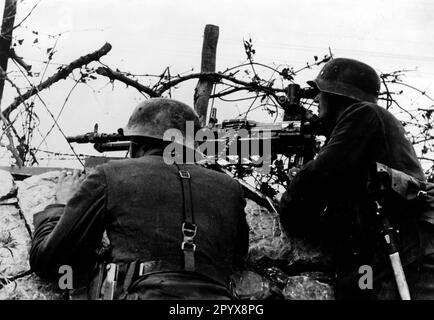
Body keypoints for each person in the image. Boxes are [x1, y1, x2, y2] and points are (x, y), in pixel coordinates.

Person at [30, 98, 249, 300]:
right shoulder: (230, 188)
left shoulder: (109, 175)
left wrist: (60, 206)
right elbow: (238, 258)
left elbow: (49, 261)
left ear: (135, 144)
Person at [278, 58, 434, 299]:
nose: (317, 100)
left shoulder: (365, 114)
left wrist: (287, 211)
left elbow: (318, 176)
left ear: (338, 95)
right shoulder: (361, 137)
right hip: (385, 256)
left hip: (412, 255)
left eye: (322, 93)